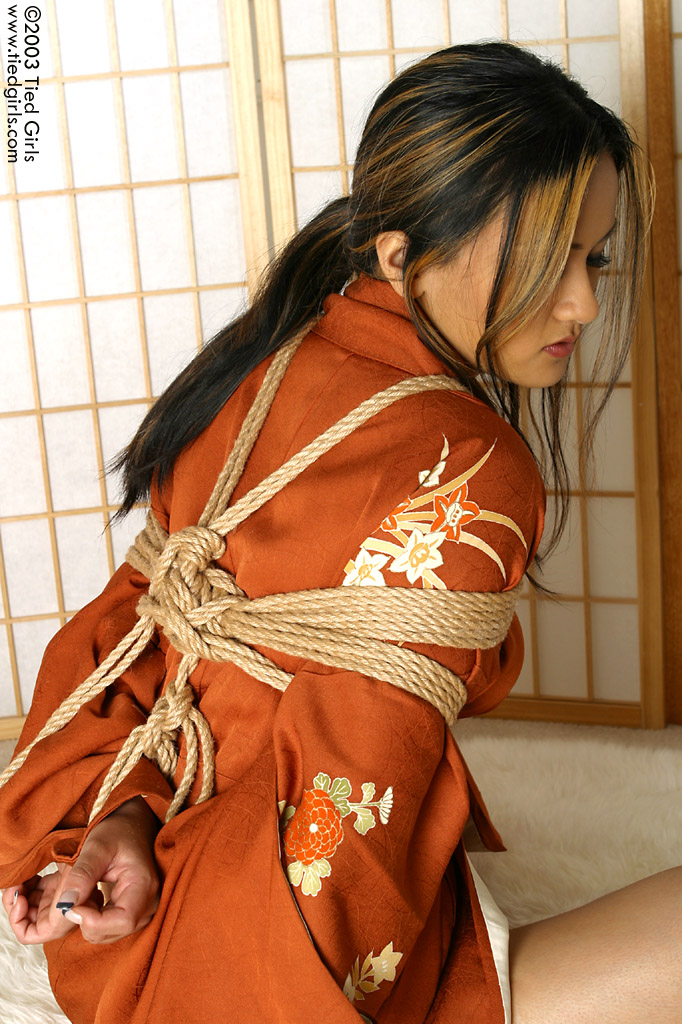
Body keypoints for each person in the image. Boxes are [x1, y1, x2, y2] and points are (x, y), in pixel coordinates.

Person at [0, 40, 679, 1024]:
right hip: (254, 950)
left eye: (593, 256)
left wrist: (126, 816)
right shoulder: (473, 465)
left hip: (113, 899)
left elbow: (132, 639)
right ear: (401, 257)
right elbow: (355, 800)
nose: (581, 301)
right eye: (545, 260)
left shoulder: (255, 358)